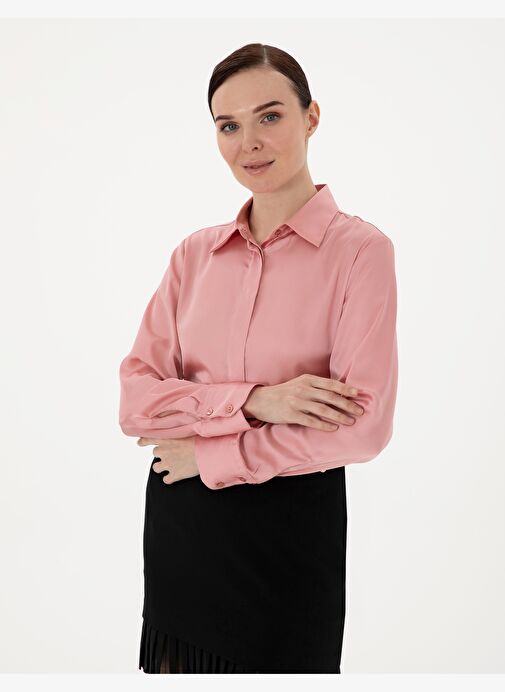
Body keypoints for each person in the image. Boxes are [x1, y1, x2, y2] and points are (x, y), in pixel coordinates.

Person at [118, 42, 398, 674]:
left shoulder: (360, 251)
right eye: (228, 126)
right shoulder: (193, 256)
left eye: (269, 116)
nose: (250, 143)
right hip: (183, 526)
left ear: (311, 116)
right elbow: (136, 402)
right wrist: (259, 401)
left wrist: (209, 451)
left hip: (288, 535)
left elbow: (363, 428)